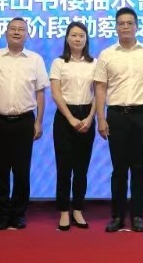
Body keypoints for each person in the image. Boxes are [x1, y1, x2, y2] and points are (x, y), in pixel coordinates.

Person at [94, 7, 143, 233]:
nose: (125, 27)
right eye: (121, 23)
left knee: (140, 169)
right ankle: (117, 216)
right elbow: (100, 88)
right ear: (116, 27)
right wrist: (101, 118)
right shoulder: (106, 54)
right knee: (119, 170)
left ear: (136, 26)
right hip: (116, 116)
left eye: (129, 23)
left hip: (142, 115)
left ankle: (138, 216)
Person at [0, 17, 48, 231]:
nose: (17, 32)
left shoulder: (35, 59)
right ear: (6, 32)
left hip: (24, 121)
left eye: (21, 29)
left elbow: (40, 93)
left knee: (21, 170)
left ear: (27, 34)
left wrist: (39, 122)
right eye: (13, 29)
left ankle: (18, 214)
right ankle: (2, 214)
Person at [50, 21, 97, 231]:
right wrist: (70, 118)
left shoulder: (95, 63)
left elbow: (99, 93)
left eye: (81, 36)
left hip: (87, 115)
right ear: (67, 38)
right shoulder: (59, 62)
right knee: (64, 167)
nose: (78, 39)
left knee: (81, 168)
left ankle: (77, 209)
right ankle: (63, 211)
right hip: (64, 117)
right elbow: (56, 93)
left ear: (86, 39)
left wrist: (90, 118)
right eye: (74, 35)